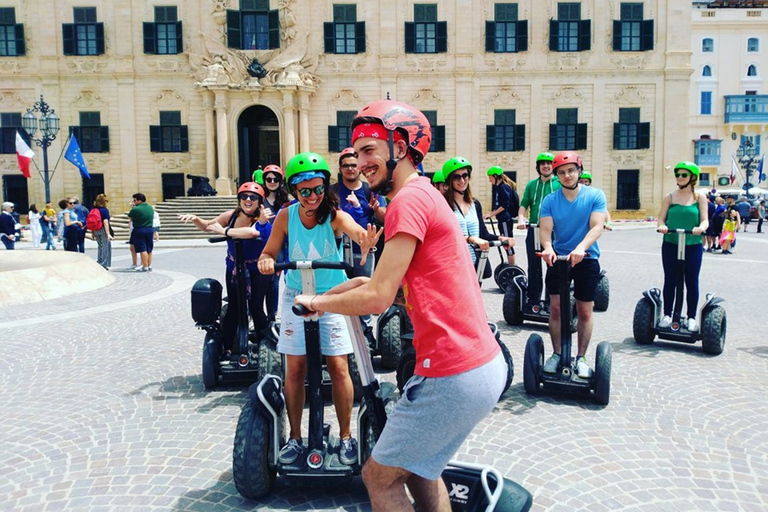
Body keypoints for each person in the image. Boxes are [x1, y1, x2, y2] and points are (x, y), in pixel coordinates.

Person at [291, 101, 506, 511]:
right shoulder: (422, 195)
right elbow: (379, 280)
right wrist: (329, 299)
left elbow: (378, 297)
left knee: (378, 476)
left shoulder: (407, 202)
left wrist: (317, 301)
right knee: (422, 469)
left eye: (371, 150)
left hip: (452, 371)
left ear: (402, 148)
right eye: (357, 152)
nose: (360, 160)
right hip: (476, 366)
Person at [257, 152, 378, 468]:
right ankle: (295, 438)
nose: (312, 197)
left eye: (318, 189)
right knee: (294, 369)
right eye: (305, 191)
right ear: (294, 191)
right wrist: (267, 261)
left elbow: (354, 229)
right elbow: (269, 251)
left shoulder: (334, 215)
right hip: (297, 295)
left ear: (326, 187)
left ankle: (347, 436)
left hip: (332, 295)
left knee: (338, 366)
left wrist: (365, 239)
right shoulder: (286, 216)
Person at [180, 182, 274, 349]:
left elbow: (253, 232)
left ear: (260, 201)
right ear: (239, 199)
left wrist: (224, 232)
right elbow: (208, 226)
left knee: (256, 307)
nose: (248, 200)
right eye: (244, 196)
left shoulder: (263, 215)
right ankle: (227, 348)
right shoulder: (231, 216)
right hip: (235, 268)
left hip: (258, 269)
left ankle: (265, 347)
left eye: (253, 197)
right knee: (234, 308)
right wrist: (196, 219)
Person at [539, 151, 607, 378]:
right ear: (557, 176)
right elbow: (546, 231)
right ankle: (557, 354)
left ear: (579, 171)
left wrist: (581, 248)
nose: (567, 176)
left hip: (586, 258)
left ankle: (581, 358)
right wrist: (548, 248)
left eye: (570, 171)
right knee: (556, 308)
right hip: (558, 259)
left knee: (584, 310)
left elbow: (597, 226)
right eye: (562, 173)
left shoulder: (595, 195)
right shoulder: (550, 200)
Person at [332, 147, 386, 346]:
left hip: (364, 249)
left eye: (353, 165)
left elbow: (384, 217)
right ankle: (341, 331)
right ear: (340, 168)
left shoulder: (369, 190)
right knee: (340, 290)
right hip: (338, 250)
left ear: (359, 167)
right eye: (346, 166)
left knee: (364, 289)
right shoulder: (333, 191)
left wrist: (374, 208)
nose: (350, 169)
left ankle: (365, 332)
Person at [656, 162, 709, 332]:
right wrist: (662, 226)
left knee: (691, 281)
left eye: (683, 175)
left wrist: (701, 227)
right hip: (671, 243)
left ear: (692, 178)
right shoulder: (669, 197)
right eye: (677, 174)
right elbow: (661, 219)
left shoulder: (699, 197)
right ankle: (667, 314)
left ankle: (692, 317)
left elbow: (705, 219)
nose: (679, 177)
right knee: (670, 279)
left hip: (693, 244)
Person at [441, 157, 514, 277]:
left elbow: (483, 234)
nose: (462, 180)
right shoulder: (443, 204)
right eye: (456, 177)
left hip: (475, 263)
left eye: (465, 175)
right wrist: (471, 239)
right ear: (449, 180)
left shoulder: (475, 204)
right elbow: (445, 236)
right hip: (453, 265)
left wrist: (502, 238)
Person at [517, 152, 561, 311]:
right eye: (542, 163)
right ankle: (533, 300)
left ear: (553, 166)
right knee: (533, 266)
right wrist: (521, 219)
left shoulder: (559, 184)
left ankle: (551, 302)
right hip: (534, 230)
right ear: (538, 167)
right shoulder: (531, 185)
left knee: (553, 266)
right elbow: (524, 204)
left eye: (549, 163)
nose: (546, 166)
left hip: (553, 232)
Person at [484, 165, 518, 265]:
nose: (490, 180)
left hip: (505, 219)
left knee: (508, 243)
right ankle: (510, 264)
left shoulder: (503, 187)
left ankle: (512, 267)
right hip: (502, 219)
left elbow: (504, 206)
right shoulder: (499, 188)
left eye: (490, 178)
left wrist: (492, 214)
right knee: (505, 243)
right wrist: (491, 213)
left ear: (495, 176)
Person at [126, 193, 155, 272]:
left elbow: (129, 216)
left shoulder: (136, 209)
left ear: (139, 200)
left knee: (142, 249)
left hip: (139, 229)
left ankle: (144, 266)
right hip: (149, 229)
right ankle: (149, 265)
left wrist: (133, 208)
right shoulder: (150, 207)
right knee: (149, 248)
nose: (133, 202)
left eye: (134, 200)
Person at [92, 194, 114, 269]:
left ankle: (99, 261)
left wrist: (92, 232)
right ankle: (103, 264)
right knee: (105, 247)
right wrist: (108, 234)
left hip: (96, 229)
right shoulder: (104, 210)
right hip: (103, 229)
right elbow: (105, 222)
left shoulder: (94, 209)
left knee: (100, 246)